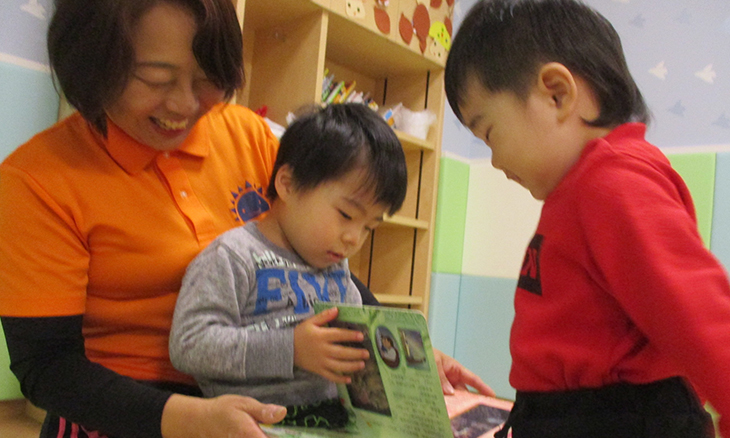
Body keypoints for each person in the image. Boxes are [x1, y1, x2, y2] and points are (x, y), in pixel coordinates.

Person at [444, 1, 730, 437]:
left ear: (556, 93)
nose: (496, 160)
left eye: (489, 133)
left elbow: (700, 314)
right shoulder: (582, 189)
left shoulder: (613, 185)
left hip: (611, 418)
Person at [169, 103, 407, 429]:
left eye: (369, 227)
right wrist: (290, 349)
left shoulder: (337, 268)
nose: (354, 238)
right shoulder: (234, 256)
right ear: (288, 184)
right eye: (347, 215)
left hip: (334, 419)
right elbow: (189, 345)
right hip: (256, 423)